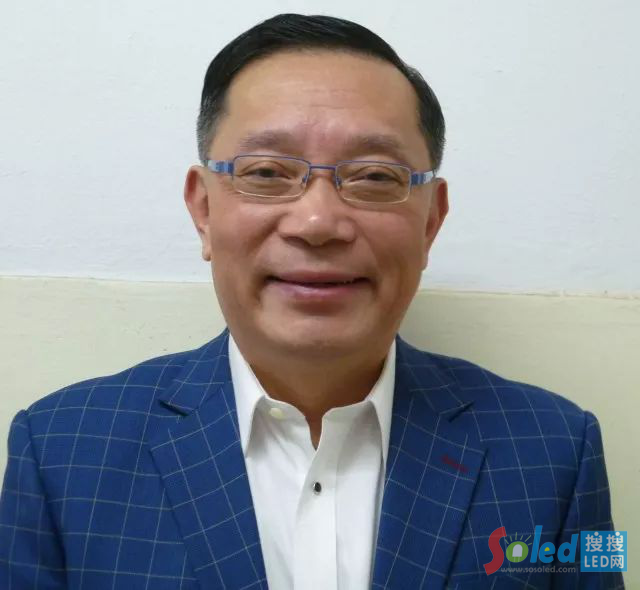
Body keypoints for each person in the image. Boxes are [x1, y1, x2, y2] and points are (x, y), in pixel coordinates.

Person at [0, 13, 622, 590]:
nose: (318, 222)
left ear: (431, 222)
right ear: (203, 209)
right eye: (267, 173)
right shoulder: (59, 451)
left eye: (374, 177)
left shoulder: (558, 450)